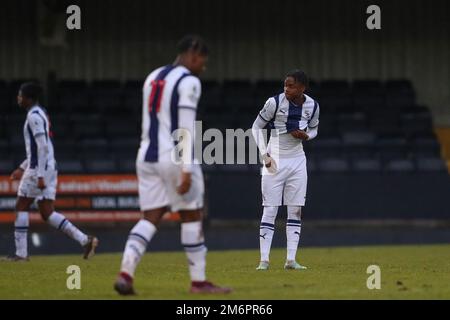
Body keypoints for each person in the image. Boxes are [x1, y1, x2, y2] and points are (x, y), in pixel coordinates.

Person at [114, 35, 231, 295]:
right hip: (173, 157)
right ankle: (199, 282)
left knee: (149, 218)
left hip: (146, 156)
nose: (203, 66)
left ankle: (125, 273)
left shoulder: (153, 76)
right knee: (192, 215)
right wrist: (187, 168)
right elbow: (185, 127)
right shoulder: (189, 81)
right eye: (202, 60)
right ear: (192, 54)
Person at [2, 82, 98, 261]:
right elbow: (42, 148)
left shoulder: (33, 116)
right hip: (49, 167)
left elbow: (43, 147)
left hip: (39, 170)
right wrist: (21, 168)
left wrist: (38, 175)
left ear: (29, 98)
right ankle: (85, 240)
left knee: (20, 206)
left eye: (21, 95)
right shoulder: (41, 113)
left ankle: (21, 254)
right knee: (47, 213)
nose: (18, 98)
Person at [251, 70, 320, 270]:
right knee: (270, 208)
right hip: (276, 157)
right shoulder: (273, 103)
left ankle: (291, 260)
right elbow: (256, 127)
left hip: (298, 159)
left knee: (296, 209)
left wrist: (307, 137)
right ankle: (264, 260)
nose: (286, 89)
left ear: (302, 88)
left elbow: (315, 128)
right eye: (285, 85)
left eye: (291, 86)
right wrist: (265, 155)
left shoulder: (313, 106)